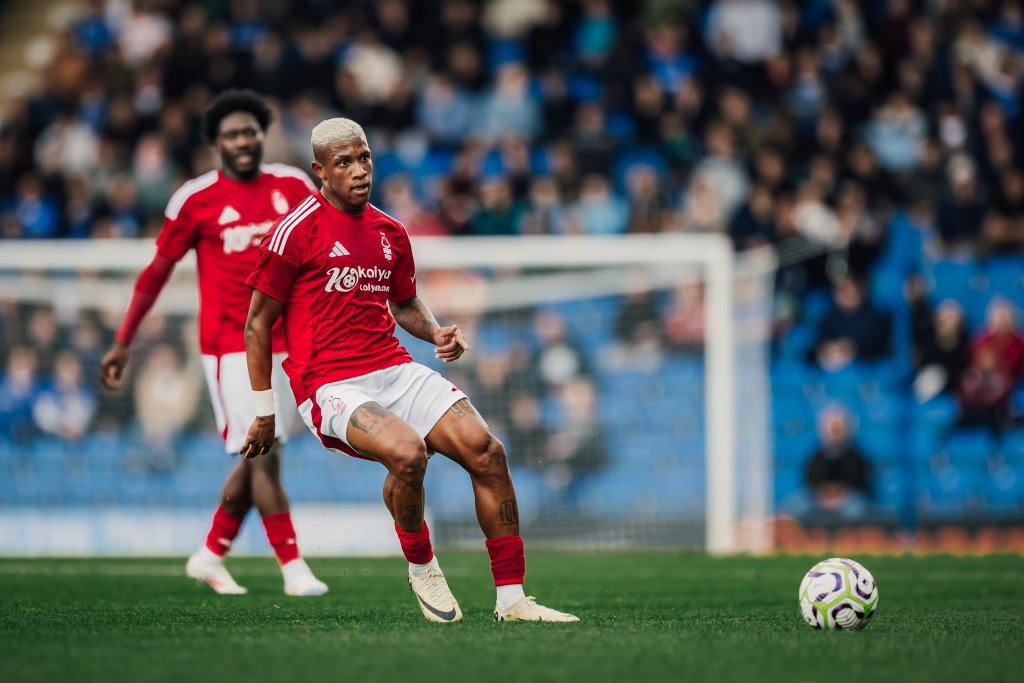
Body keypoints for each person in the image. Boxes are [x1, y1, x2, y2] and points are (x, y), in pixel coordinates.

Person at [240, 117, 579, 623]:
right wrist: (265, 411)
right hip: (329, 385)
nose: (359, 171)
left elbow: (403, 303)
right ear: (319, 171)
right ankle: (423, 567)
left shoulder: (390, 231)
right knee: (408, 452)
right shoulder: (295, 232)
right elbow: (256, 324)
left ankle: (513, 600)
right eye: (344, 163)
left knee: (488, 453)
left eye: (365, 158)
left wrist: (437, 331)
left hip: (393, 369)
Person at [100, 90, 327, 597]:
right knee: (263, 454)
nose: (243, 140)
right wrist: (123, 341)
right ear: (216, 143)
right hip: (231, 347)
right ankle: (294, 568)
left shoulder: (293, 186)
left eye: (250, 131)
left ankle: (210, 553)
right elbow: (156, 272)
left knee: (262, 456)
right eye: (232, 134)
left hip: (291, 344)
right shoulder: (194, 199)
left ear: (262, 135)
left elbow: (323, 249)